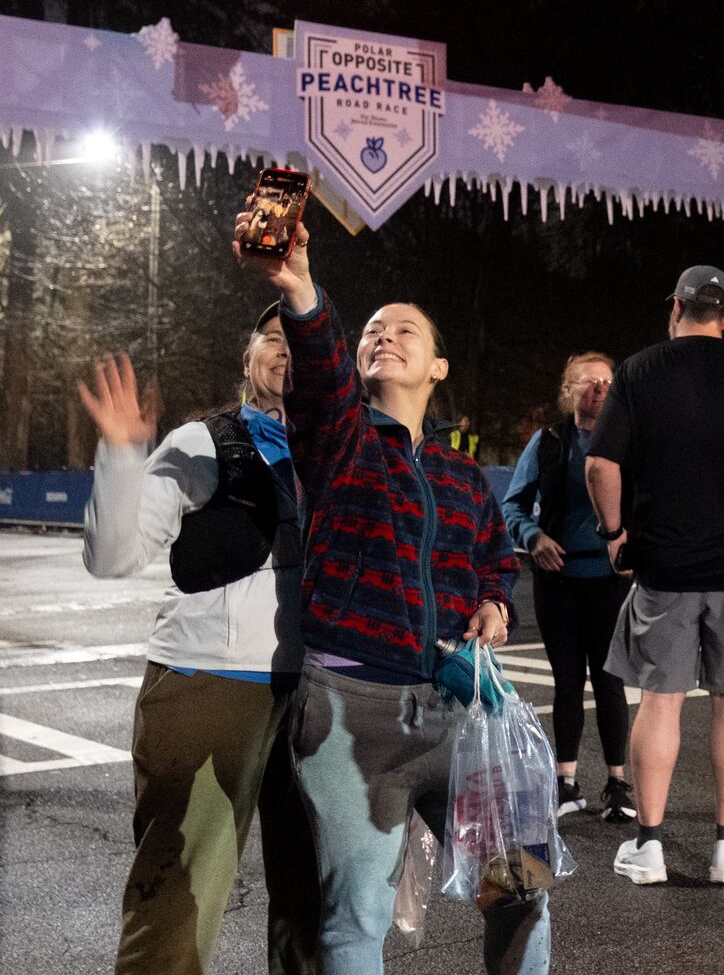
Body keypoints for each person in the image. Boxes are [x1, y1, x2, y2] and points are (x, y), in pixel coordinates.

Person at [233, 214, 547, 975]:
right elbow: (322, 371)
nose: (385, 336)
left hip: (462, 712)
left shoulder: (462, 473)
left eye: (406, 330)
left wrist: (495, 601)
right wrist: (302, 288)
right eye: (373, 329)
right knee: (357, 917)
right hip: (352, 710)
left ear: (439, 366)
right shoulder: (336, 437)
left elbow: (491, 556)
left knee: (523, 889)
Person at [79, 310, 319, 975]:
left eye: (304, 341)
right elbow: (113, 555)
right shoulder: (203, 442)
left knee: (318, 906)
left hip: (321, 696)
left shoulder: (348, 451)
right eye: (274, 337)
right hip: (212, 685)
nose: (289, 351)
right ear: (247, 359)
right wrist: (124, 455)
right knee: (178, 901)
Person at [585, 265, 724, 885]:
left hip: (665, 564)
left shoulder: (640, 370)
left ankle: (649, 846)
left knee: (661, 702)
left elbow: (602, 465)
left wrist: (613, 535)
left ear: (674, 305)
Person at [501, 351, 636, 822]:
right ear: (568, 390)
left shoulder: (627, 441)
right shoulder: (548, 441)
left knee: (610, 681)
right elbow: (513, 504)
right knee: (566, 684)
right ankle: (566, 781)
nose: (599, 388)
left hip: (609, 581)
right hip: (557, 580)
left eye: (606, 381)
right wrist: (533, 537)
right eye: (587, 381)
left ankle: (618, 784)